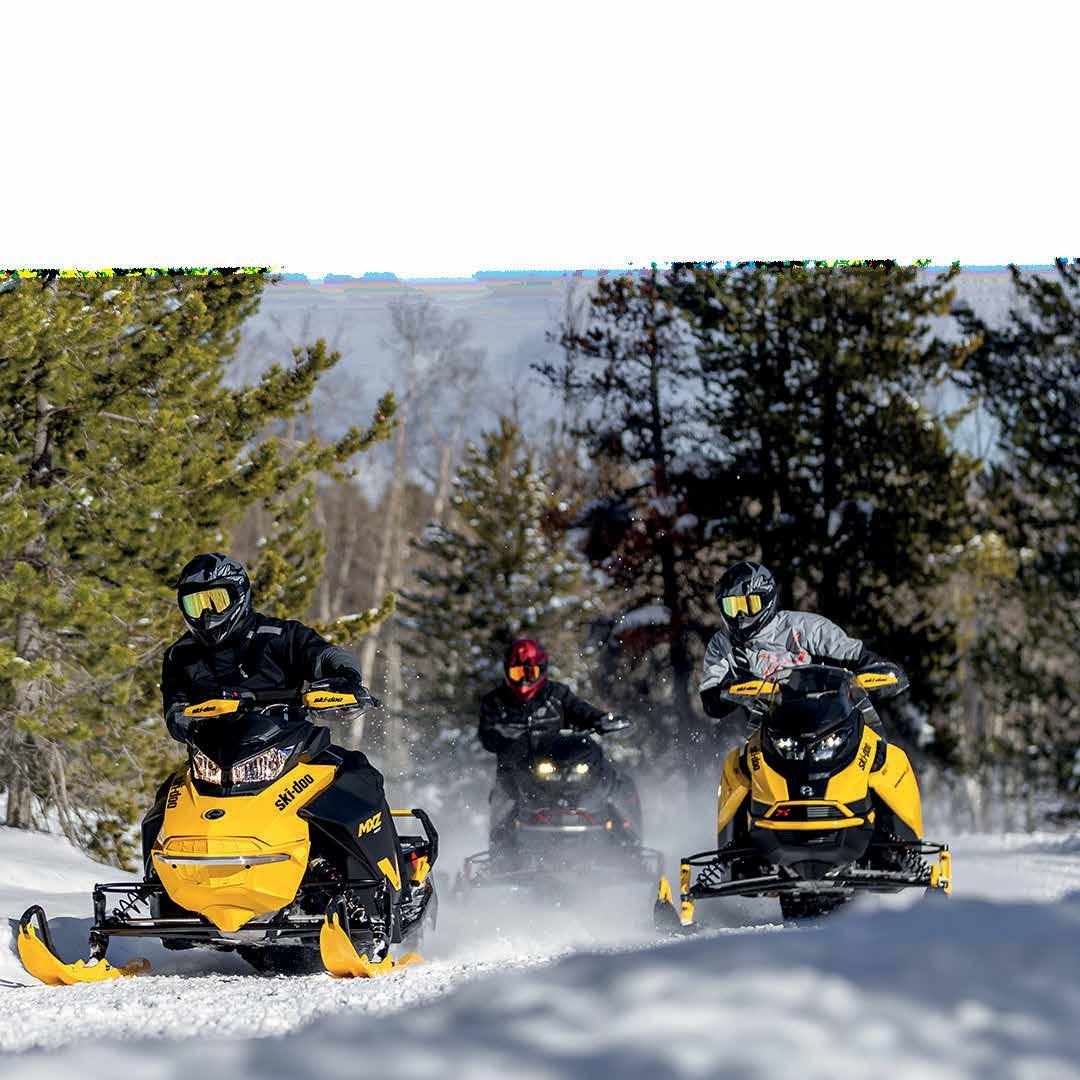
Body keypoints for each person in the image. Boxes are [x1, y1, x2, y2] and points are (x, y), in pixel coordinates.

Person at [699, 560, 904, 743]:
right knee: (736, 767)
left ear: (766, 599)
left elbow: (856, 654)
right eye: (732, 607)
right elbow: (711, 701)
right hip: (771, 736)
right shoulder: (722, 645)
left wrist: (879, 671)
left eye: (749, 605)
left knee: (886, 760)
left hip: (833, 728)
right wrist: (729, 691)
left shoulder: (806, 627)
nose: (741, 615)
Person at [478, 638, 629, 845]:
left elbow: (580, 710)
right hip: (516, 770)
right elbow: (487, 735)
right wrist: (506, 740)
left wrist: (600, 720)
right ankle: (500, 848)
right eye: (517, 674)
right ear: (507, 673)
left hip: (560, 765)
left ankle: (625, 836)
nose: (523, 681)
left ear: (541, 671)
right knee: (503, 797)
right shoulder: (495, 702)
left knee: (613, 781)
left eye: (529, 673)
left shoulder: (556, 695)